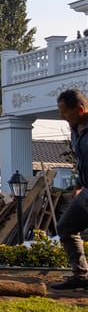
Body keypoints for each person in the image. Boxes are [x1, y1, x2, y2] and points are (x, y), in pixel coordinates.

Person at [51, 88, 88, 290]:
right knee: (66, 227)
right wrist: (79, 184)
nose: (62, 116)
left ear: (80, 109)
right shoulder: (75, 129)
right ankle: (81, 276)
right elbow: (83, 162)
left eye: (65, 112)